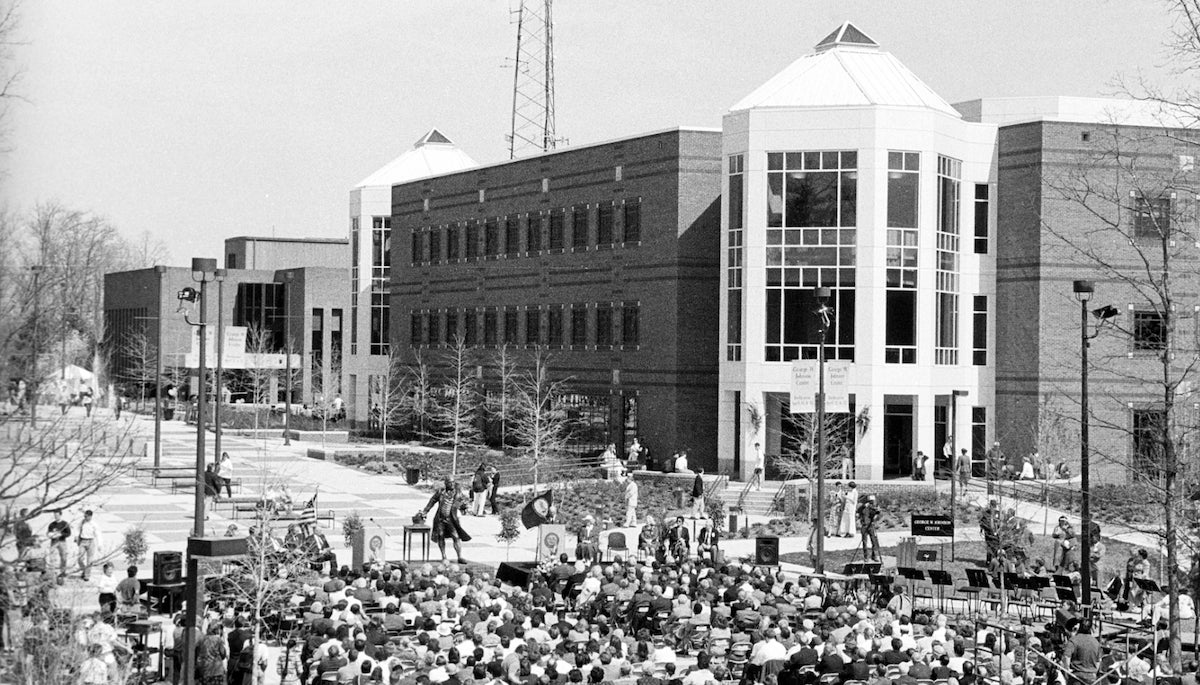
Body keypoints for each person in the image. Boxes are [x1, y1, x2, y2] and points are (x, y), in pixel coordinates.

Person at [421, 477, 471, 564]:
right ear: (446, 483)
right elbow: (432, 501)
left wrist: (464, 506)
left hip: (452, 519)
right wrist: (425, 511)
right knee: (441, 536)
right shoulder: (440, 492)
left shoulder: (457, 493)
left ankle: (459, 556)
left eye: (452, 482)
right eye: (449, 482)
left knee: (456, 536)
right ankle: (444, 556)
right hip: (440, 519)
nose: (451, 484)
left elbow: (461, 504)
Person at [1061, 619, 1101, 685]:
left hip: (1076, 677)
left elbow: (1066, 657)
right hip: (1091, 678)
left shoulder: (1073, 640)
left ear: (1080, 627)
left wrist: (1067, 671)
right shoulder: (1096, 642)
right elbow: (1098, 661)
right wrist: (1093, 673)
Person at [46, 509, 70, 581]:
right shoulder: (51, 524)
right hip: (54, 542)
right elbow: (48, 533)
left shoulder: (65, 524)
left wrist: (61, 534)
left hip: (62, 541)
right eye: (55, 515)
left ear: (60, 515)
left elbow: (68, 533)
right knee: (52, 557)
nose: (56, 516)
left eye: (57, 515)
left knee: (63, 557)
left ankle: (63, 571)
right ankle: (52, 572)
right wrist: (50, 535)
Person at [76, 509, 99, 580]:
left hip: (91, 541)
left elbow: (98, 534)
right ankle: (84, 570)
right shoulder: (82, 522)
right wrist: (76, 537)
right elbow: (77, 529)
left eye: (87, 516)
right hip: (83, 541)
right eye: (85, 516)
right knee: (79, 559)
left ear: (91, 516)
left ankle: (87, 575)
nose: (86, 518)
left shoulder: (94, 524)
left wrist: (100, 544)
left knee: (89, 560)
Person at [858, 495, 881, 562]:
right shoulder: (862, 507)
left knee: (874, 541)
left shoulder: (873, 507)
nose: (871, 503)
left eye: (872, 501)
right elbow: (858, 510)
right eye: (870, 501)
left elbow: (877, 514)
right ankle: (866, 557)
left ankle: (874, 556)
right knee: (865, 542)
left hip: (871, 525)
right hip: (864, 525)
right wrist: (864, 506)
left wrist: (876, 514)